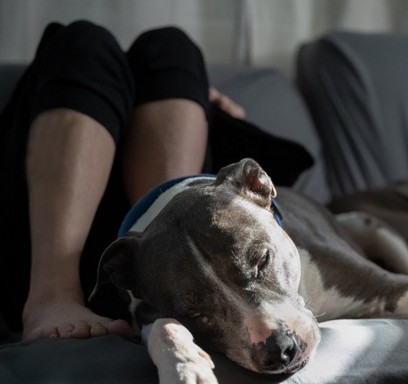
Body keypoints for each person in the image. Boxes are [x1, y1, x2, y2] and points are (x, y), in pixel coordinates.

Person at [0, 20, 244, 340]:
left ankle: (172, 281)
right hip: (39, 255)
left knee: (171, 46)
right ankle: (51, 294)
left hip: (157, 277)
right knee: (82, 42)